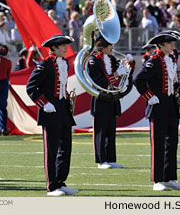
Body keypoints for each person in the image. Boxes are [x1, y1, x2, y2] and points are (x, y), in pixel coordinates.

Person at [133, 30, 180, 191]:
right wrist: (149, 96)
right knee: (159, 143)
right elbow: (138, 80)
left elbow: (173, 81)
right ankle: (158, 180)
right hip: (158, 105)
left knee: (172, 142)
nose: (172, 45)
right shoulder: (153, 61)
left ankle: (170, 177)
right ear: (161, 45)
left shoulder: (171, 59)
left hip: (171, 104)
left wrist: (179, 92)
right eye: (169, 43)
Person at [26, 34, 78, 196]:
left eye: (66, 45)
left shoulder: (65, 64)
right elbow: (31, 87)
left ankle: (61, 182)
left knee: (66, 148)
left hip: (63, 110)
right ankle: (52, 186)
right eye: (62, 45)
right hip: (50, 110)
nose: (65, 48)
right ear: (54, 48)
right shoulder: (45, 65)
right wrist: (44, 103)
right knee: (52, 150)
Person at [88, 35, 134, 169]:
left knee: (111, 129)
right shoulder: (93, 61)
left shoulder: (112, 59)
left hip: (112, 97)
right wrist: (116, 74)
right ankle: (101, 160)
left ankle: (111, 158)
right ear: (102, 46)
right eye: (109, 46)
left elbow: (125, 74)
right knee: (100, 130)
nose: (112, 48)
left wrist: (129, 63)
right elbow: (99, 81)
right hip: (100, 98)